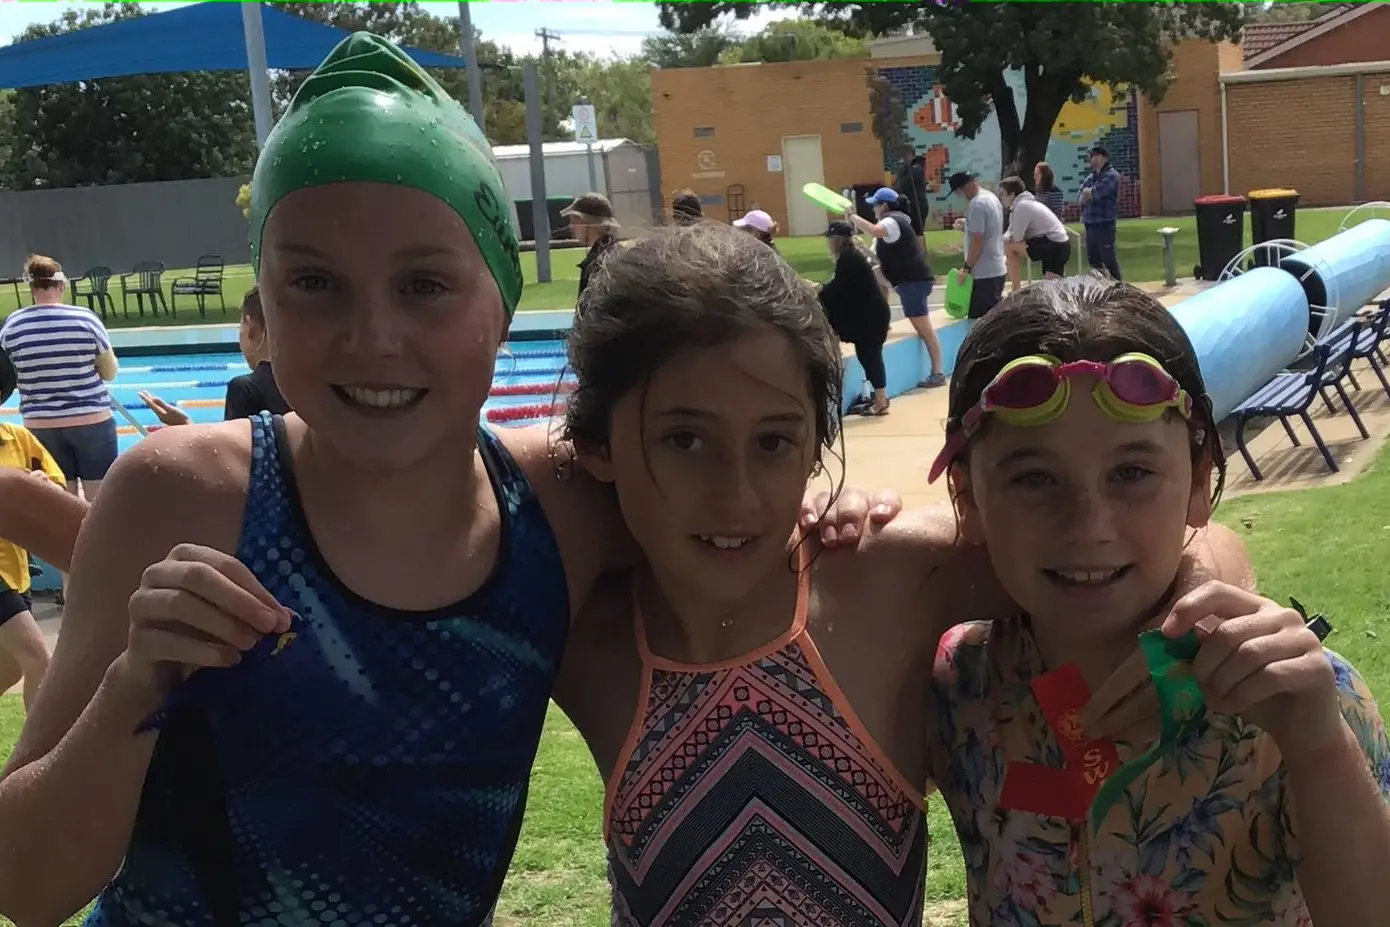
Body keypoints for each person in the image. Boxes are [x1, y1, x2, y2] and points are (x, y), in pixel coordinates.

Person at [0, 37, 880, 927]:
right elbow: (25, 889)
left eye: (424, 284)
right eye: (315, 283)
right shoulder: (184, 494)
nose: (373, 335)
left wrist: (819, 505)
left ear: (502, 309)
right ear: (259, 315)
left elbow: (716, 500)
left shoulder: (562, 507)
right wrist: (132, 689)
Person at [551, 225, 1264, 926]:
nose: (737, 495)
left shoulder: (882, 576)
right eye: (685, 440)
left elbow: (1165, 545)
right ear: (594, 443)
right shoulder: (585, 629)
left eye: (773, 441)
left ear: (816, 443)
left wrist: (1200, 590)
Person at [926, 277, 1389, 925]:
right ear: (966, 497)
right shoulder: (959, 687)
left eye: (1132, 473)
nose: (1089, 525)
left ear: (1200, 481)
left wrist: (1317, 747)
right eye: (1034, 478)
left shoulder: (1299, 698)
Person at [0, 254, 119, 502]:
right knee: (99, 503)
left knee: (60, 499)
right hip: (91, 420)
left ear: (31, 288)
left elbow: (7, 376)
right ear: (61, 286)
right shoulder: (85, 319)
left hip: (40, 423)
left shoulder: (12, 326)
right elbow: (109, 373)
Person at [139, 286, 289, 427]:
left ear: (251, 327)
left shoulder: (246, 389)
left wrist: (185, 425)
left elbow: (233, 451)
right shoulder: (306, 381)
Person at [0, 400, 65, 709]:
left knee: (10, 668)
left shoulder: (18, 438)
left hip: (17, 565)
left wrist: (39, 488)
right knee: (38, 657)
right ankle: (34, 755)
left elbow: (57, 485)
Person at [850, 187, 944, 388]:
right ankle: (882, 322)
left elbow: (875, 230)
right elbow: (882, 260)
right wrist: (863, 248)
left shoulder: (891, 221)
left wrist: (853, 218)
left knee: (926, 330)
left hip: (913, 282)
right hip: (913, 280)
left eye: (875, 205)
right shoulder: (898, 222)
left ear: (884, 206)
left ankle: (937, 372)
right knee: (876, 278)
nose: (873, 209)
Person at [818, 220, 892, 415]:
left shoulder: (848, 258)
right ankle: (880, 398)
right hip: (871, 315)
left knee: (870, 356)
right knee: (868, 356)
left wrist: (819, 289)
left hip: (870, 318)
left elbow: (839, 289)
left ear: (837, 240)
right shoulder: (850, 256)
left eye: (831, 239)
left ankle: (881, 401)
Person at [947, 171, 1008, 320]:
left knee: (978, 323)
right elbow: (987, 230)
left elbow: (977, 241)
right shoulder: (991, 198)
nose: (959, 196)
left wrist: (966, 268)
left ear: (964, 188)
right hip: (997, 267)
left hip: (983, 273)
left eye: (958, 192)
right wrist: (967, 225)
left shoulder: (975, 205)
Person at [998, 175, 1072, 293]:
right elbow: (1011, 232)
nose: (1000, 197)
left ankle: (1016, 290)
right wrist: (1007, 238)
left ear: (1012, 195)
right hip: (1060, 245)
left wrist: (1009, 241)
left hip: (1053, 246)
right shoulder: (1023, 204)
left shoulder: (1022, 206)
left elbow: (1017, 237)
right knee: (1052, 288)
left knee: (1010, 248)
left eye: (1002, 194)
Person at [563, 192, 622, 302]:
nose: (572, 227)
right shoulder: (619, 251)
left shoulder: (595, 263)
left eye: (574, 221)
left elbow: (587, 312)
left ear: (585, 223)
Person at [1080, 144, 1123, 280]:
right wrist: (1089, 193)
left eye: (1093, 156)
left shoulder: (1112, 175)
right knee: (1094, 260)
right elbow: (1082, 196)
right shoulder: (1091, 177)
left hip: (1104, 223)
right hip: (1090, 223)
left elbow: (1097, 192)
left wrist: (1090, 193)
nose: (1090, 159)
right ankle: (1102, 287)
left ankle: (1119, 286)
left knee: (1108, 258)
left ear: (1101, 157)